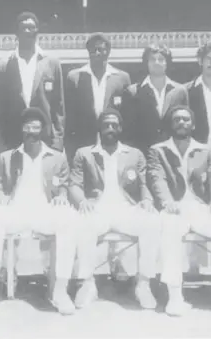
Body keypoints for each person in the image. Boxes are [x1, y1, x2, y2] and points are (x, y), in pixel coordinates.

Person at [0, 108, 79, 316]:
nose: (31, 131)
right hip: (16, 210)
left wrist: (62, 196)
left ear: (43, 129)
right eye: (27, 127)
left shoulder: (57, 158)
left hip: (44, 211)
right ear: (21, 129)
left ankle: (60, 290)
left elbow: (64, 186)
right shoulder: (8, 157)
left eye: (36, 127)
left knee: (69, 218)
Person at [147, 105, 211, 317]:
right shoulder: (158, 150)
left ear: (193, 124)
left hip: (200, 207)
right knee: (169, 228)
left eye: (186, 120)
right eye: (177, 120)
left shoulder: (206, 150)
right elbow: (157, 178)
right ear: (171, 124)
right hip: (174, 208)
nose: (182, 123)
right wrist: (167, 201)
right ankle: (174, 296)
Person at [69, 108, 159, 311]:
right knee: (83, 223)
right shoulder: (84, 153)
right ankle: (86, 284)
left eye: (114, 125)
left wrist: (146, 199)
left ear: (121, 128)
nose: (110, 128)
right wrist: (82, 200)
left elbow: (145, 183)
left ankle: (143, 284)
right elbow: (73, 184)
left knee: (151, 222)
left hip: (125, 209)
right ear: (99, 129)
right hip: (98, 209)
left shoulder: (134, 154)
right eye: (106, 125)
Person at [0, 12, 65, 153]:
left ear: (37, 31)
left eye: (31, 27)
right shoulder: (3, 66)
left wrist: (58, 141)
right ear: (16, 33)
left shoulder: (52, 63)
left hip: (44, 138)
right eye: (23, 28)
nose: (28, 31)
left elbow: (58, 107)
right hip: (12, 139)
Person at [64, 33, 131, 162]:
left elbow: (126, 115)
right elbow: (70, 115)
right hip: (83, 142)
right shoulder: (75, 77)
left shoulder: (122, 78)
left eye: (101, 49)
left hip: (113, 140)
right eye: (93, 50)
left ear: (108, 52)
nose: (97, 53)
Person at [121, 43, 188, 156]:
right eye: (152, 59)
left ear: (167, 63)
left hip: (173, 154)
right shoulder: (133, 92)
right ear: (146, 63)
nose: (157, 62)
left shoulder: (180, 91)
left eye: (161, 59)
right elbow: (127, 130)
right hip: (143, 153)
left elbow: (186, 125)